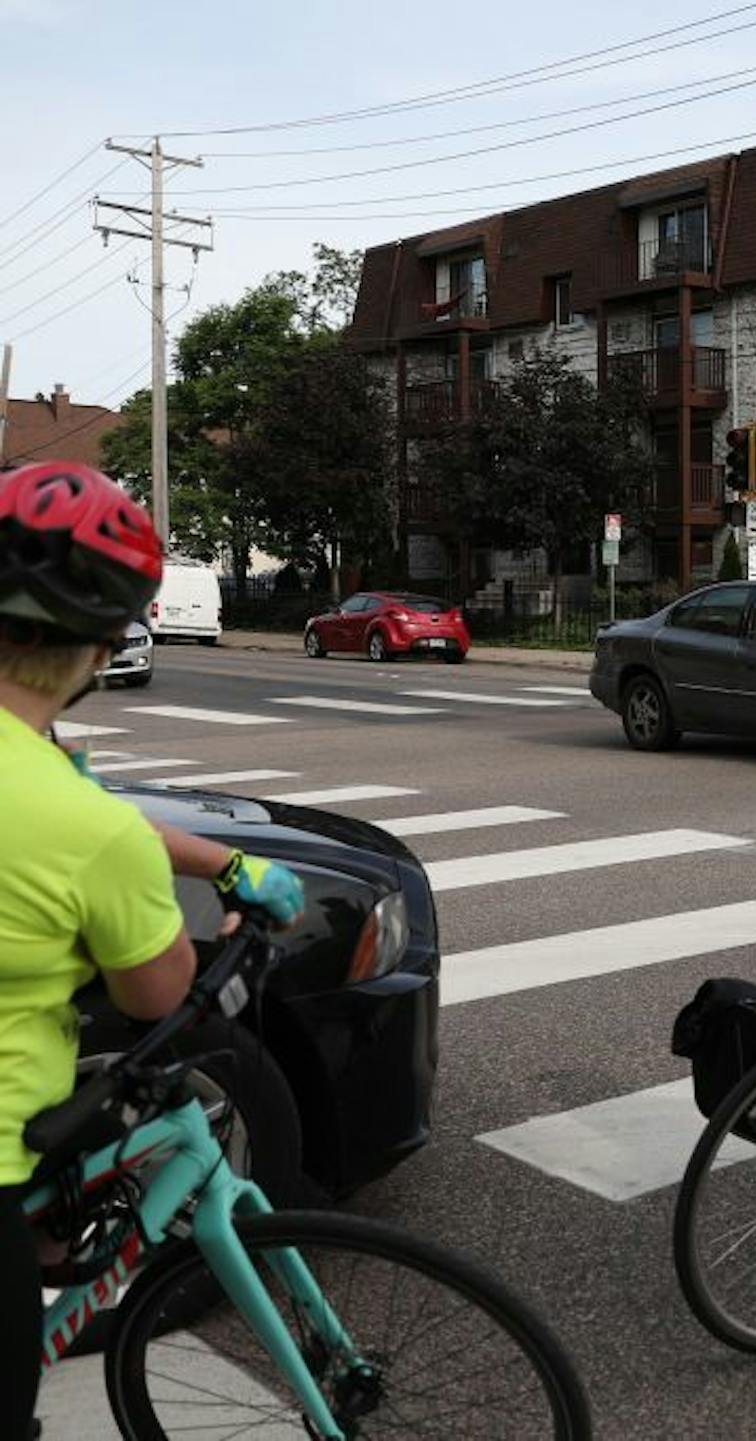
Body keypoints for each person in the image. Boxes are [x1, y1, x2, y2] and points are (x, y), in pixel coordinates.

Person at [0, 462, 299, 1441]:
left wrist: (219, 858)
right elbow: (158, 994)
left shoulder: (61, 798)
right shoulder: (85, 830)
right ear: (99, 645)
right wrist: (224, 908)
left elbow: (66, 813)